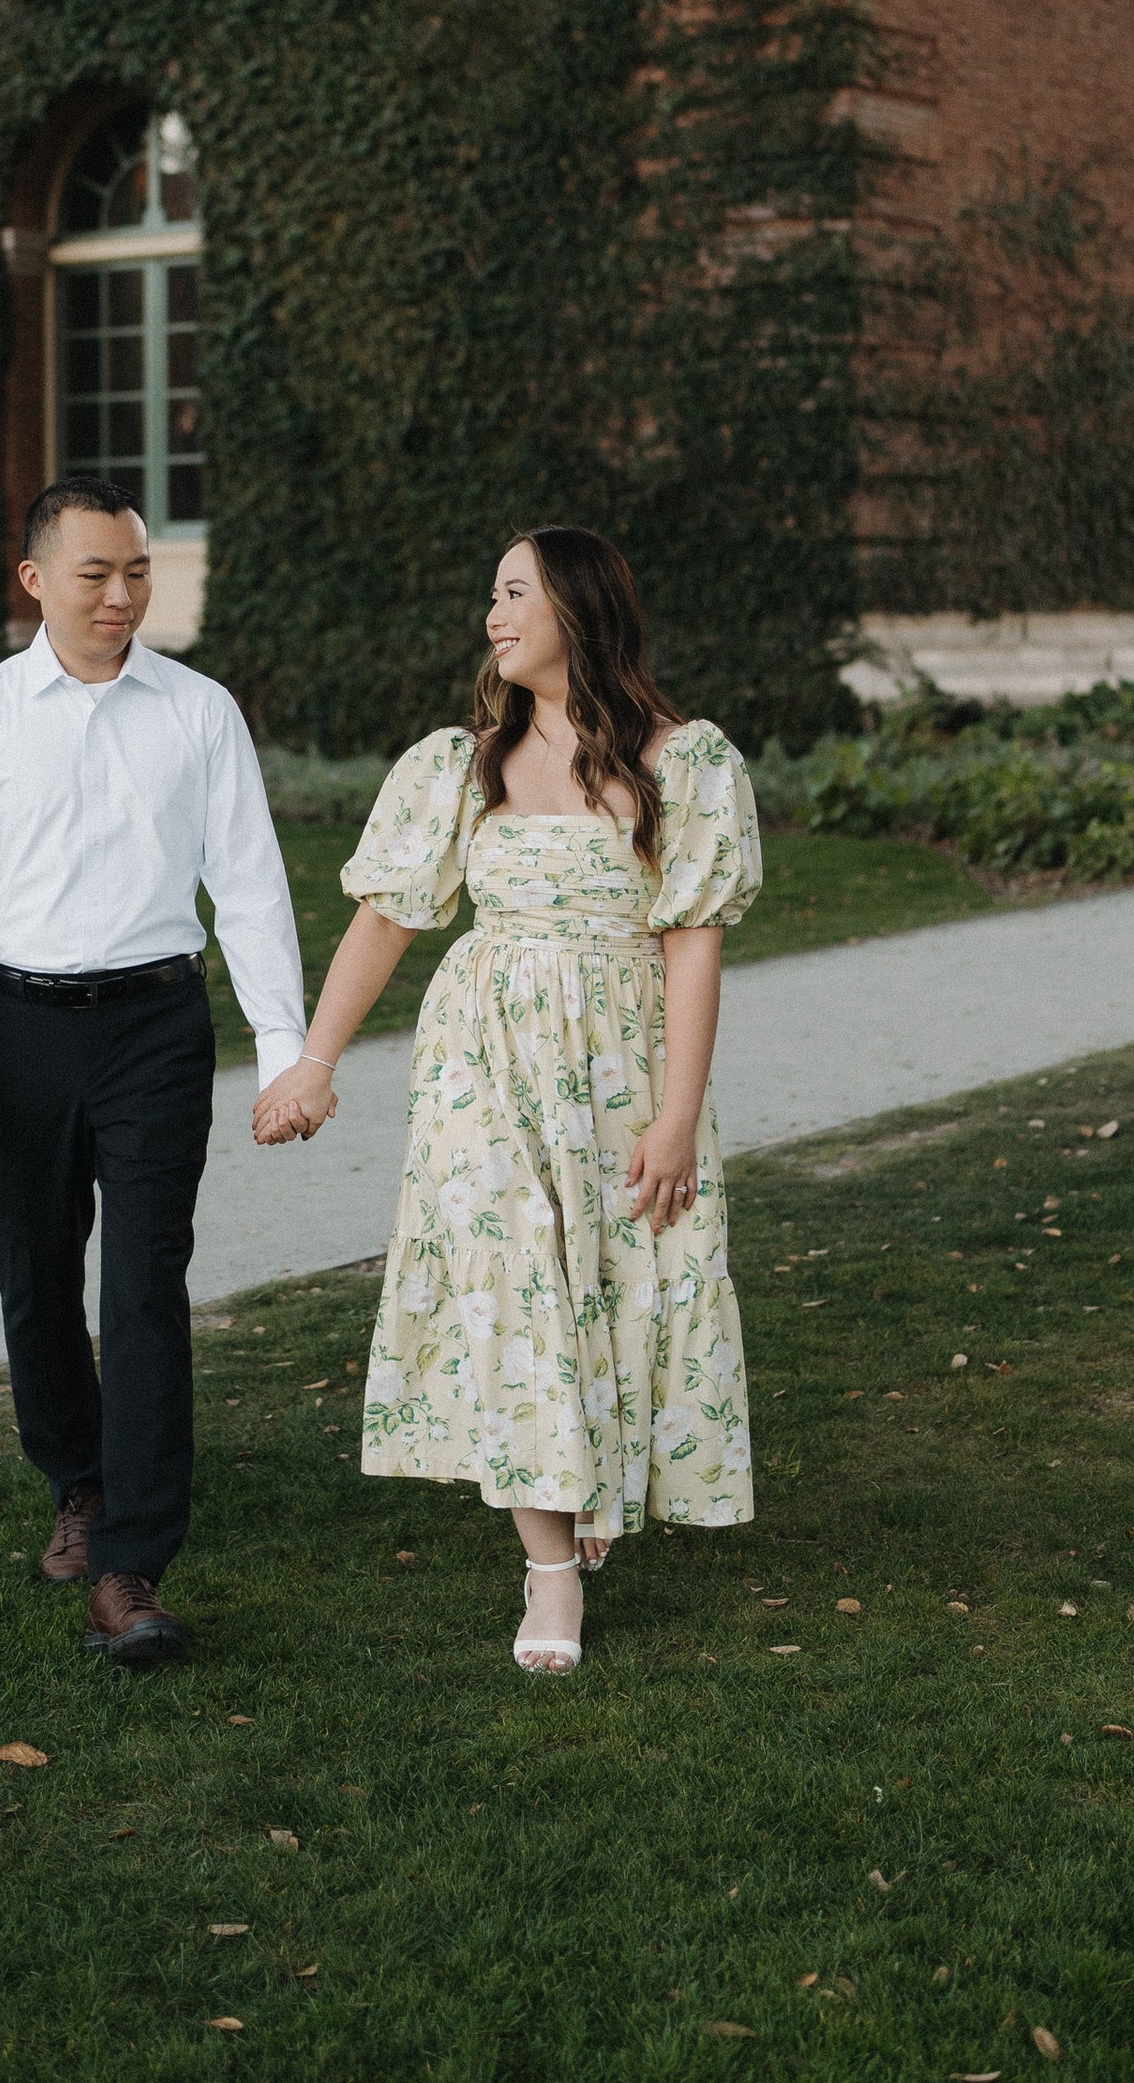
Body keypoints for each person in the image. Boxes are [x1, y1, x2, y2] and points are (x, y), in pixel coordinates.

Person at [252, 524, 759, 1674]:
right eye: (491, 593)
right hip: (480, 1058)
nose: (493, 615)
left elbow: (691, 943)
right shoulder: (459, 765)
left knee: (618, 1280)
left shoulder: (683, 764)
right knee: (512, 1281)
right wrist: (314, 1064)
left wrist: (677, 1115)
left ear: (577, 609)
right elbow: (385, 918)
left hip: (621, 1063)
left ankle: (589, 1479)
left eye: (515, 593)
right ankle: (549, 1570)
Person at [0, 478, 307, 1666]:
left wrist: (283, 1051)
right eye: (96, 573)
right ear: (36, 580)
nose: (122, 594)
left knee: (142, 1283)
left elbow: (249, 887)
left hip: (155, 1028)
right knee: (35, 1273)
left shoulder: (199, 711)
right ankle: (76, 1484)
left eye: (137, 570)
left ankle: (130, 1562)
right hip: (21, 1030)